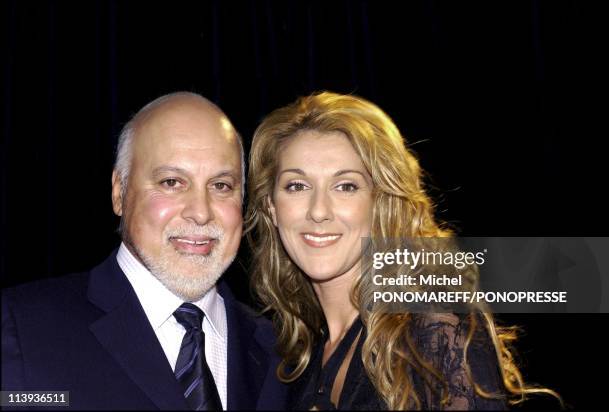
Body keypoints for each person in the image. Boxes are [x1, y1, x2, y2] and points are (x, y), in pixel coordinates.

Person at [245, 91, 562, 410]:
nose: (318, 211)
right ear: (272, 207)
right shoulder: (293, 361)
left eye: (346, 186)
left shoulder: (432, 327)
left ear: (379, 202)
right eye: (297, 186)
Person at [2, 92, 287, 410]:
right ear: (119, 193)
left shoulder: (283, 355)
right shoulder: (21, 328)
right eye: (171, 182)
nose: (201, 212)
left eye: (221, 186)